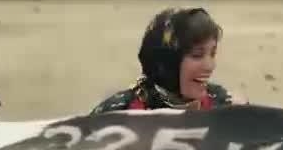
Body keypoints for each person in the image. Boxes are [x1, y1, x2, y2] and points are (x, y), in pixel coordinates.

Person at [90, 6, 242, 115]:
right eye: (197, 55)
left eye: (212, 54)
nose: (210, 66)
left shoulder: (225, 108)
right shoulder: (118, 114)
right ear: (166, 63)